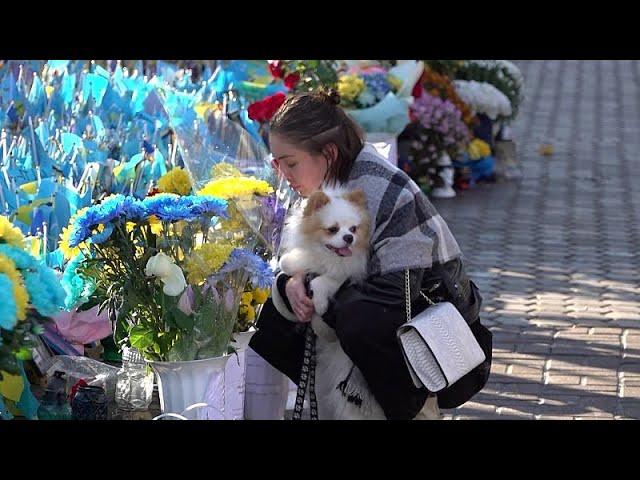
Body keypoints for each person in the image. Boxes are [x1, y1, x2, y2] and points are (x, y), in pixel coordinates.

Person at [249, 89, 492, 420]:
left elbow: (392, 295)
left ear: (329, 153)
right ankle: (336, 399)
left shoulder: (377, 188)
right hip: (380, 308)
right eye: (276, 163)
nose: (282, 174)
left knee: (358, 316)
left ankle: (413, 407)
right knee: (275, 316)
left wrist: (309, 286)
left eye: (289, 163)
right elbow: (299, 258)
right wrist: (291, 283)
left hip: (437, 332)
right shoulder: (324, 184)